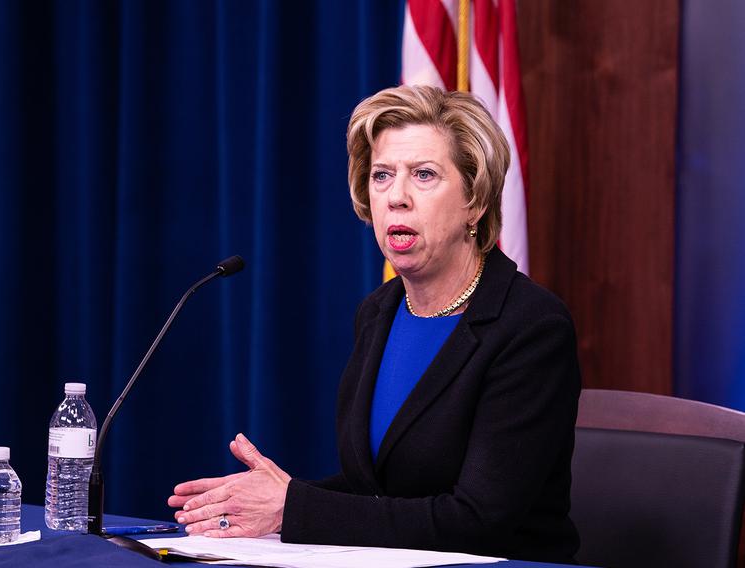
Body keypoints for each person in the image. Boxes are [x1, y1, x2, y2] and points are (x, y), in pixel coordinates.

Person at [168, 85, 581, 563]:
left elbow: (478, 520)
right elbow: (382, 488)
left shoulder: (530, 327)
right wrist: (259, 504)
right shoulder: (379, 311)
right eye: (382, 176)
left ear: (476, 200)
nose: (396, 197)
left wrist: (293, 507)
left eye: (424, 175)